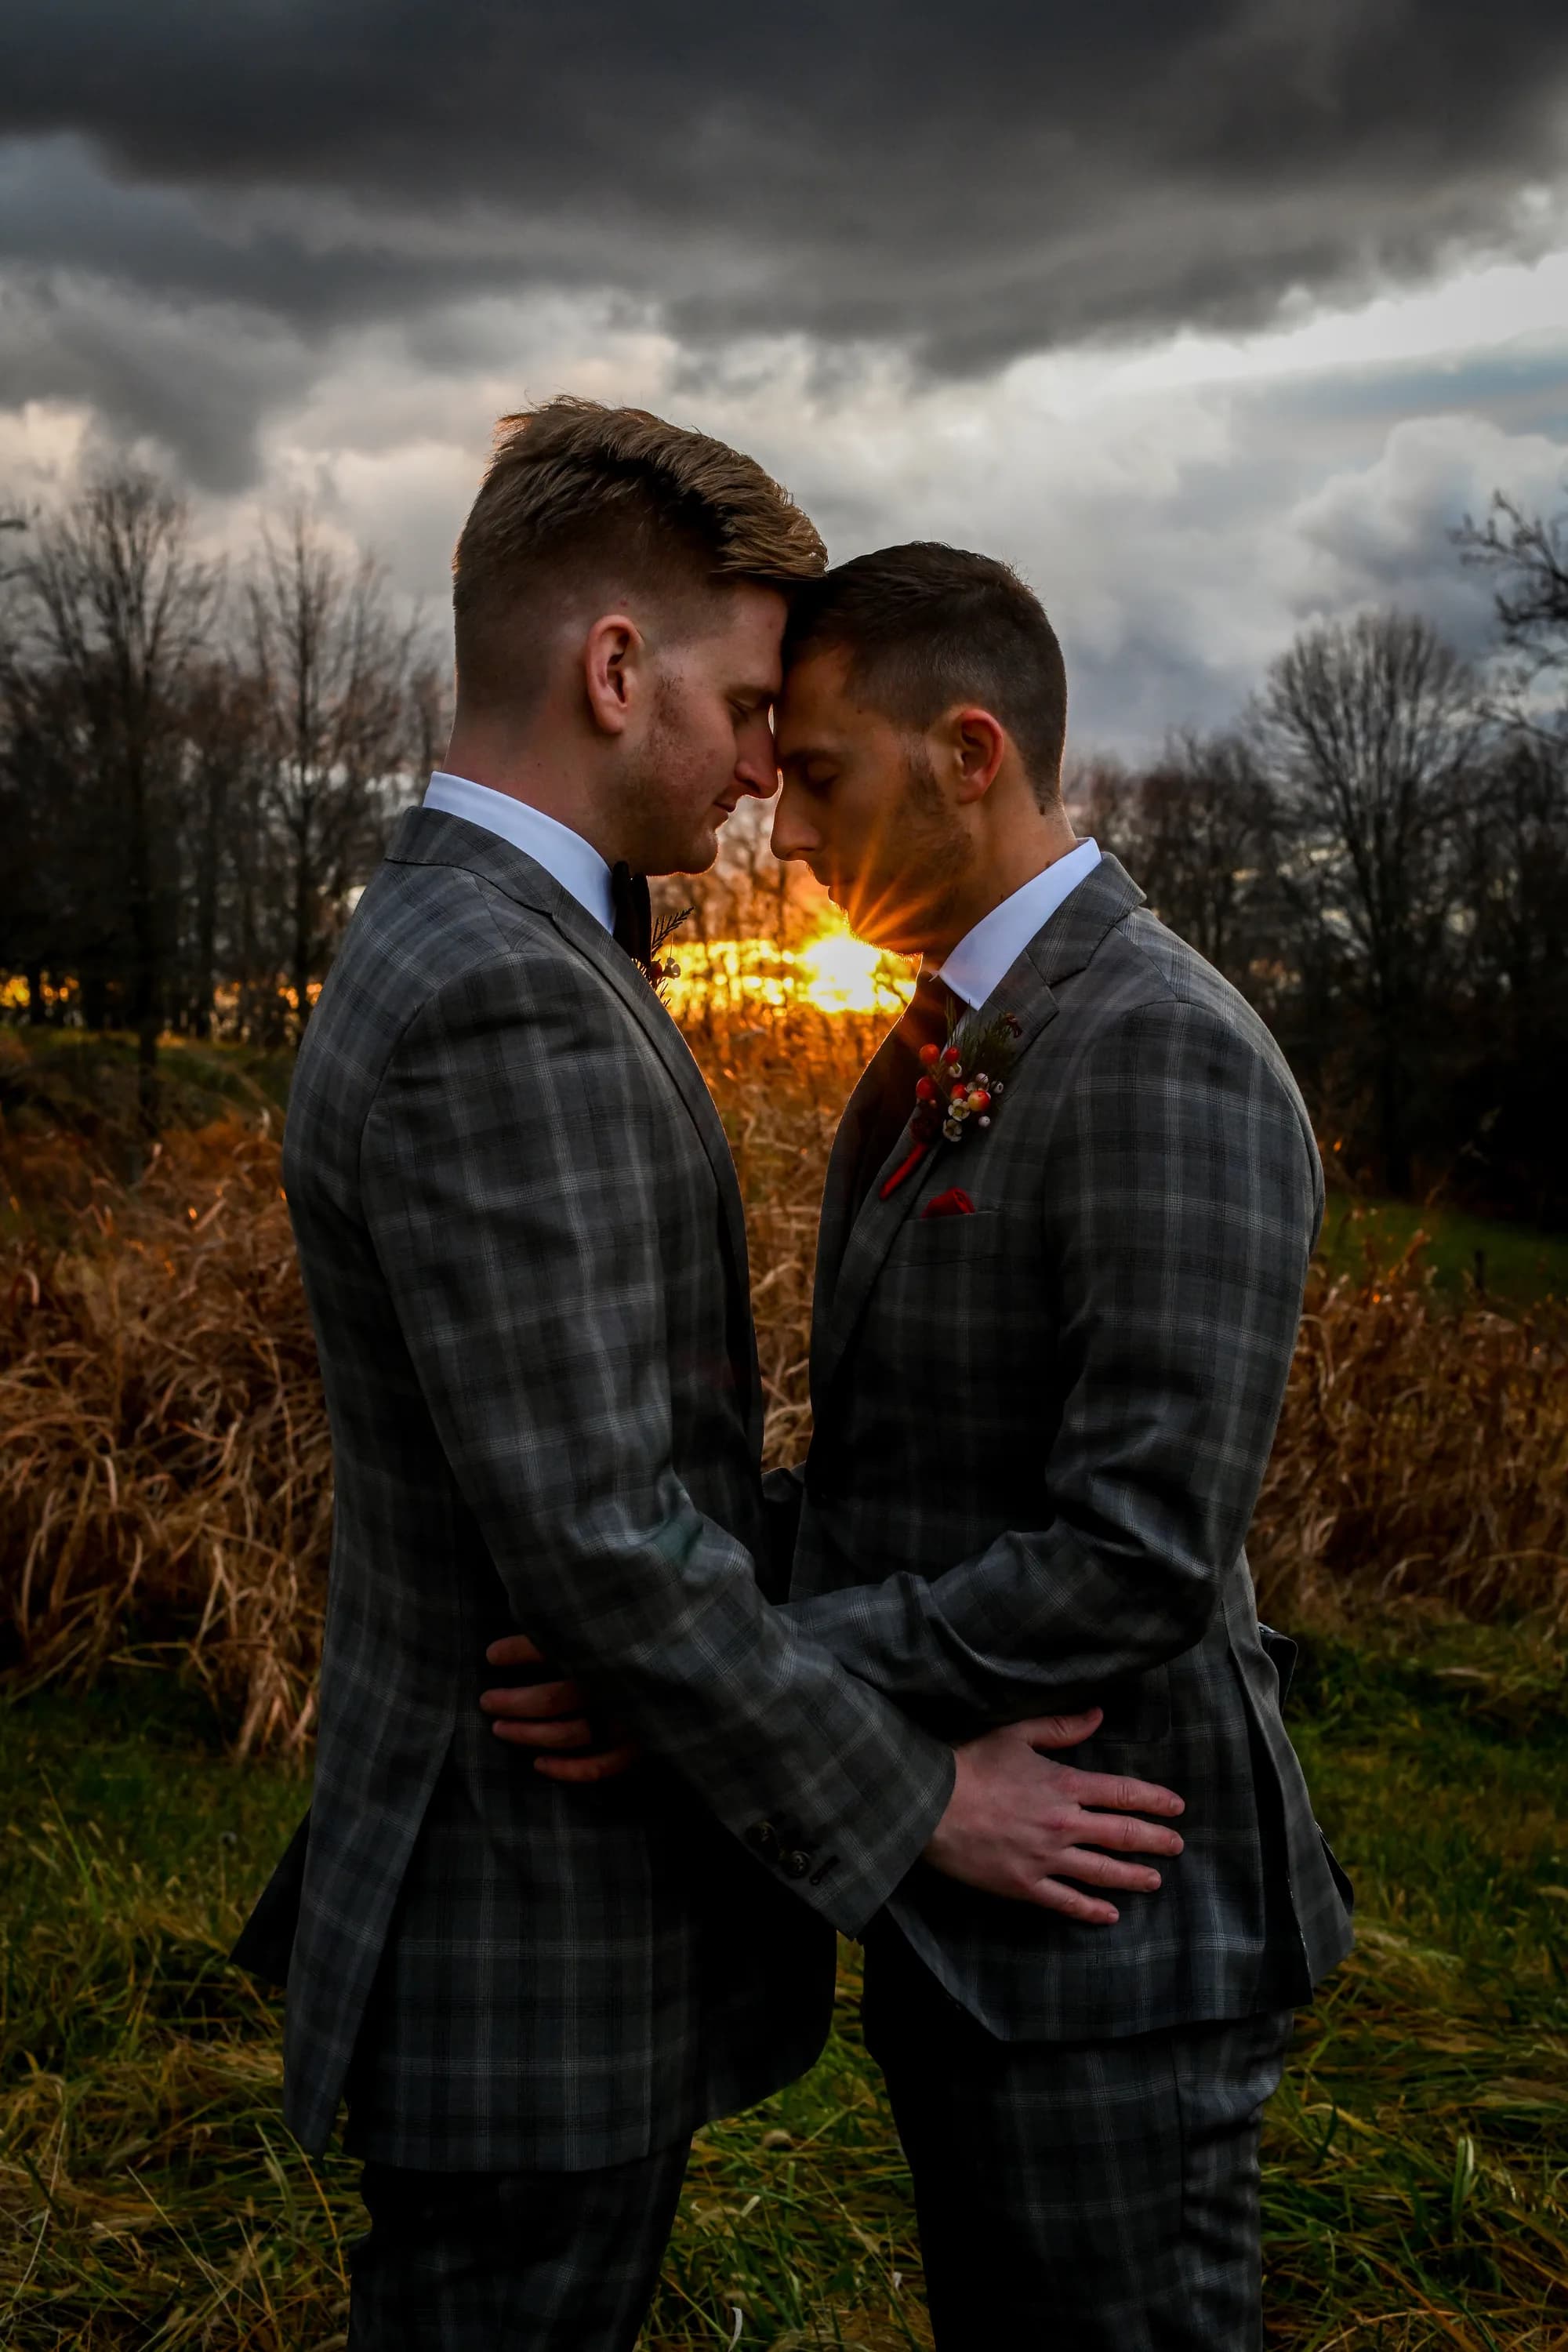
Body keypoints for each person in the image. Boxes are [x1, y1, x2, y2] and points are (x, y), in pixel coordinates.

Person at [234, 412, 1187, 2352]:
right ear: (609, 669)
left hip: (544, 1869)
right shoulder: (501, 991)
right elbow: (602, 1541)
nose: (769, 770)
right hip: (524, 1913)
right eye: (750, 706)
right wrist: (920, 1797)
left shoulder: (500, 937)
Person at [486, 542, 1353, 2348]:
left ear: (969, 752)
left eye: (818, 775)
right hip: (976, 1910)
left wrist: (715, 1680)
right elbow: (897, 1480)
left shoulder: (1158, 1053)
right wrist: (685, 1621)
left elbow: (1135, 1556)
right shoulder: (943, 1039)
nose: (781, 836)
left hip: (1124, 1920)